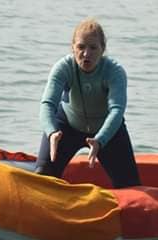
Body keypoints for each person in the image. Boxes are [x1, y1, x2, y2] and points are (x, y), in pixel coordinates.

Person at [35, 18, 141, 188]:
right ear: (72, 48)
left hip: (107, 131)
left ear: (102, 49)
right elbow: (48, 104)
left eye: (93, 47)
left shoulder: (114, 71)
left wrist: (100, 139)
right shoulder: (63, 68)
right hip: (66, 128)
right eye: (81, 47)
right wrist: (52, 132)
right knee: (42, 177)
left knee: (130, 186)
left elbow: (116, 110)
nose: (86, 54)